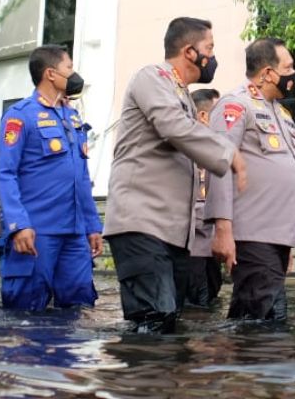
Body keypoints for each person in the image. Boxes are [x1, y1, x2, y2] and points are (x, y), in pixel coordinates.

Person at [104, 17, 246, 334]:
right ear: (189, 51)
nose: (214, 56)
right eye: (209, 47)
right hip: (141, 223)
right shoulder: (152, 77)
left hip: (171, 233)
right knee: (155, 322)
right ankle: (137, 383)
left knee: (168, 327)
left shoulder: (180, 94)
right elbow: (173, 126)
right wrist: (229, 153)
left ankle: (159, 384)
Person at [206, 37, 295, 322]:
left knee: (264, 318)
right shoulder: (236, 104)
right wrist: (223, 229)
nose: (293, 75)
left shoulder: (281, 112)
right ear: (267, 73)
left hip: (273, 237)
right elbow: (220, 165)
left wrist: (284, 242)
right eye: (288, 67)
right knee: (261, 321)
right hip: (251, 234)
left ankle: (244, 363)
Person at [0, 45, 103, 310]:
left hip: (75, 233)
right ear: (51, 74)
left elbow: (81, 175)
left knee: (78, 308)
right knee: (27, 309)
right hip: (37, 231)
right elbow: (6, 174)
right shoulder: (20, 116)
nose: (74, 74)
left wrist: (92, 226)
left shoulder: (72, 117)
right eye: (69, 68)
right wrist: (18, 224)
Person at [185, 88, 222, 308]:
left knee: (212, 296)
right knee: (195, 305)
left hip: (212, 244)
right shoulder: (185, 145)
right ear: (203, 116)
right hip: (192, 247)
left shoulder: (214, 148)